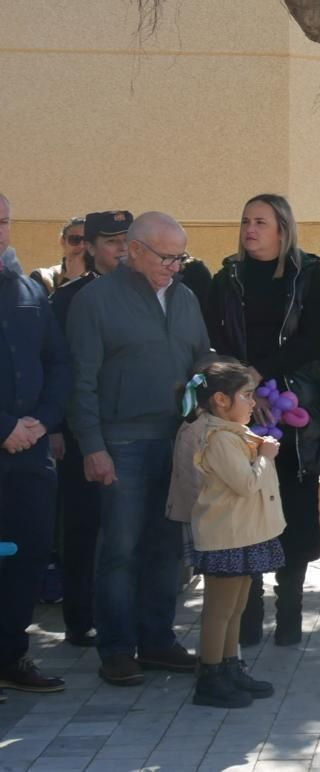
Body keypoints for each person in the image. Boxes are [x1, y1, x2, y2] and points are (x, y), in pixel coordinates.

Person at [67, 212, 211, 686]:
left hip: (174, 442)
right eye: (166, 257)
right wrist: (93, 446)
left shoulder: (187, 298)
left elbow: (200, 359)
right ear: (134, 250)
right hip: (121, 442)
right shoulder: (95, 301)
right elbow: (81, 381)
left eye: (180, 257)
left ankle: (157, 641)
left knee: (166, 549)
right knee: (120, 551)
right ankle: (116, 649)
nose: (175, 266)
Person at [205, 195, 320, 647]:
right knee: (243, 509)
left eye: (260, 222)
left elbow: (313, 338)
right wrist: (243, 388)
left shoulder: (310, 277)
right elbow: (215, 338)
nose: (249, 229)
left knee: (295, 510)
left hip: (295, 411)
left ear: (282, 230)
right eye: (245, 220)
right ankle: (247, 615)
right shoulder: (225, 278)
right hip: (237, 410)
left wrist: (260, 376)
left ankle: (289, 612)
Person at [172, 359, 285, 707]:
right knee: (219, 609)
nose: (254, 403)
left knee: (236, 606)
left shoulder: (233, 433)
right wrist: (265, 455)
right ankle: (210, 677)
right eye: (246, 395)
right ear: (221, 400)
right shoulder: (219, 437)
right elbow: (246, 483)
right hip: (225, 537)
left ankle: (230, 666)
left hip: (243, 534)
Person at [48, 210, 132, 647]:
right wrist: (57, 428)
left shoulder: (149, 292)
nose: (120, 247)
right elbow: (59, 368)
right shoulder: (68, 298)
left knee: (129, 525)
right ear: (92, 246)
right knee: (82, 526)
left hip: (132, 427)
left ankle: (125, 612)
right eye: (111, 240)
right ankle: (80, 618)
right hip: (83, 429)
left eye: (126, 239)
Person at [0, 193, 72, 694]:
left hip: (30, 454)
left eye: (2, 220)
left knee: (25, 556)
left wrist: (41, 423)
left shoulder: (28, 290)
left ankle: (11, 656)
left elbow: (58, 363)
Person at [29, 217, 88, 295]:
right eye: (75, 239)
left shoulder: (104, 278)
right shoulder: (44, 277)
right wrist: (70, 279)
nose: (82, 246)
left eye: (88, 241)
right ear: (62, 241)